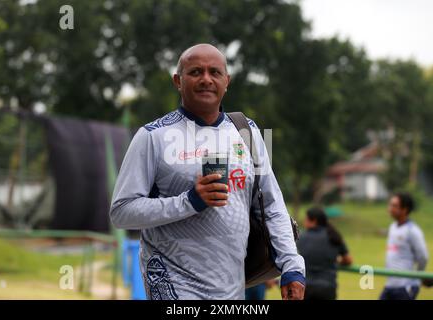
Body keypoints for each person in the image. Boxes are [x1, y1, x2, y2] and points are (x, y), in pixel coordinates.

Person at [109, 43, 305, 300]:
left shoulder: (248, 131)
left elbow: (271, 205)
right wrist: (189, 201)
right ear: (178, 81)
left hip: (231, 286)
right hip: (173, 282)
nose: (206, 79)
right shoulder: (152, 136)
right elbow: (121, 212)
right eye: (195, 72)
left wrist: (292, 266)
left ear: (227, 81)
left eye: (215, 72)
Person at [379, 192, 429, 300]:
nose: (390, 208)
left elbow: (423, 256)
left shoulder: (413, 230)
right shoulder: (392, 227)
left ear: (404, 209)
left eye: (394, 206)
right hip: (390, 285)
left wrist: (418, 276)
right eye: (390, 205)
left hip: (405, 286)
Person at [296, 207, 352, 300]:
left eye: (306, 219)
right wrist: (337, 261)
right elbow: (348, 260)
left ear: (313, 221)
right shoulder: (334, 235)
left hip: (306, 287)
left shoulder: (301, 237)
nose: (304, 222)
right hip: (327, 287)